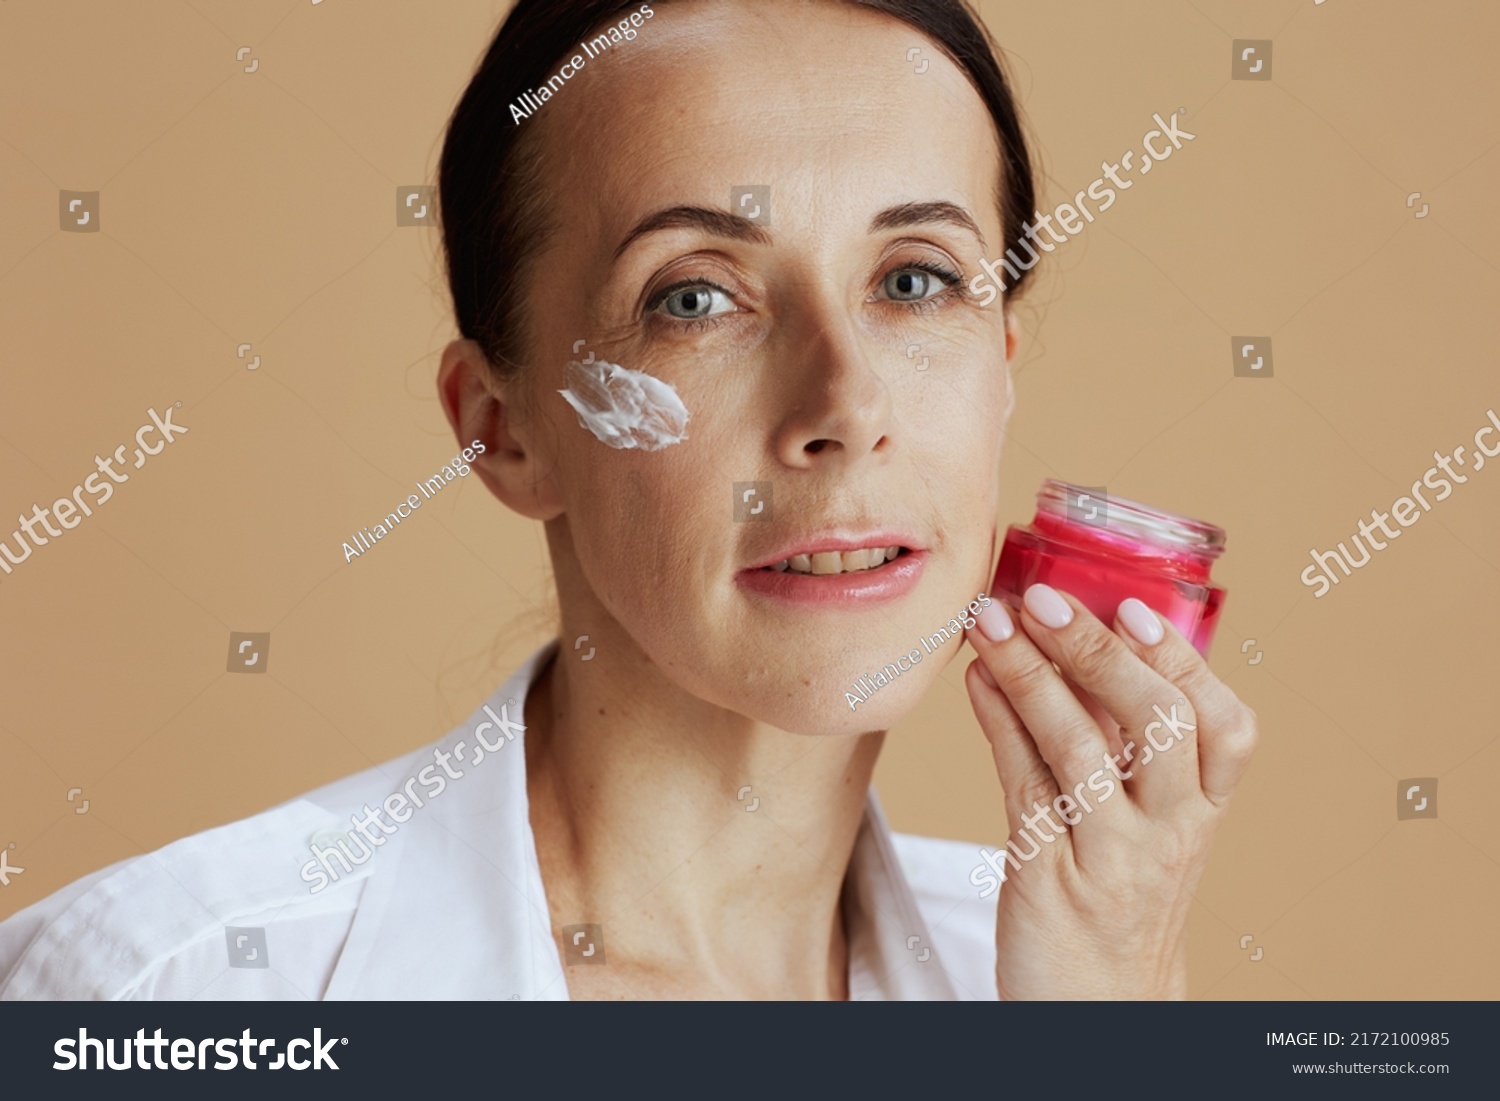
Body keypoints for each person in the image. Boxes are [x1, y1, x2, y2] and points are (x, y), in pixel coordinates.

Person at [0, 0, 1257, 1001]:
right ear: (502, 430)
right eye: (694, 297)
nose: (845, 402)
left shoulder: (1058, 977)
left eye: (917, 281)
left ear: (1001, 379)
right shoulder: (164, 991)